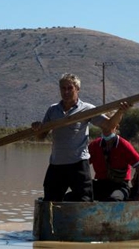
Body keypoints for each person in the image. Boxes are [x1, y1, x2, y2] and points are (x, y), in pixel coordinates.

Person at [32, 73, 128, 202]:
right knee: (50, 201)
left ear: (77, 89)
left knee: (84, 201)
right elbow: (40, 137)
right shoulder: (53, 110)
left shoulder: (87, 109)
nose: (66, 92)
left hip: (78, 164)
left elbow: (109, 125)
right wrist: (37, 128)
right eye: (63, 88)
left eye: (70, 88)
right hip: (56, 164)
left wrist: (120, 111)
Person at [88, 121, 139, 201]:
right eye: (104, 126)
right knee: (73, 196)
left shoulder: (124, 145)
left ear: (116, 127)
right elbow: (83, 165)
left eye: (110, 125)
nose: (107, 128)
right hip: (101, 183)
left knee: (114, 200)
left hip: (120, 185)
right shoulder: (95, 145)